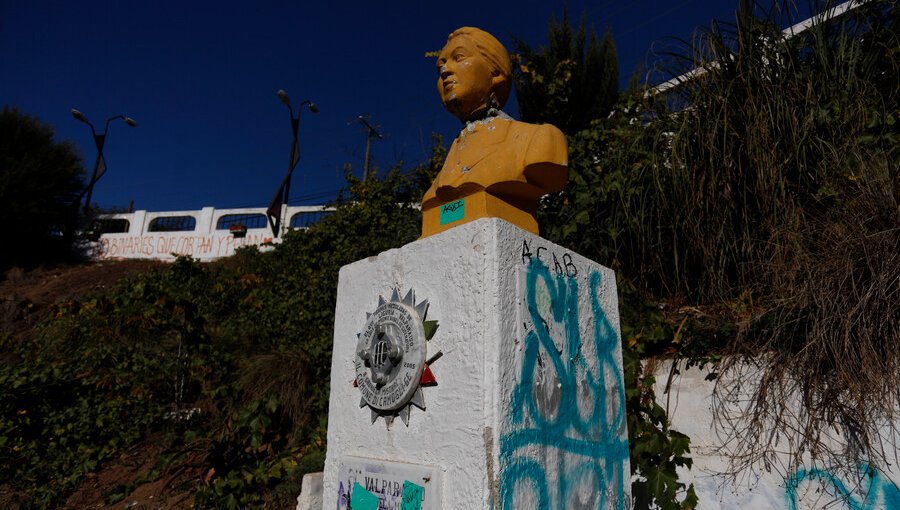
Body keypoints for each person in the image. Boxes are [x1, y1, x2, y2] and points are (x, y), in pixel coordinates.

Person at [421, 27, 568, 237]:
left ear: (495, 72)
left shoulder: (540, 139)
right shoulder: (448, 162)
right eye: (441, 66)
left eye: (458, 57)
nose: (445, 71)